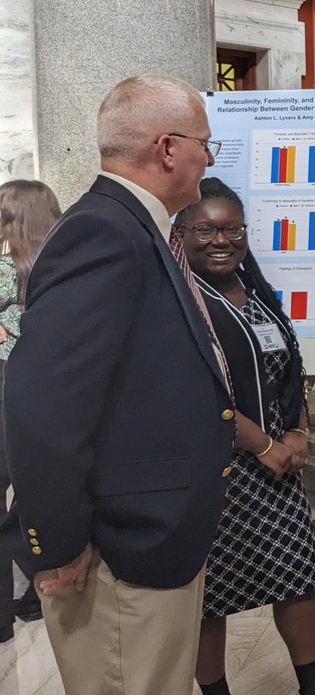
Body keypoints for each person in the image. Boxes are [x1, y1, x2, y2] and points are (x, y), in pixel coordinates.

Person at [3, 75, 235, 694]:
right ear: (166, 149)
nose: (209, 159)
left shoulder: (136, 227)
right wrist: (58, 542)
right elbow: (42, 406)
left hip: (148, 537)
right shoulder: (103, 232)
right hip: (115, 550)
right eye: (204, 144)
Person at [174, 177, 315, 695]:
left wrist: (299, 429)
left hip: (279, 468)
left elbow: (287, 368)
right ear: (181, 231)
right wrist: (263, 445)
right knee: (210, 597)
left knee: (297, 578)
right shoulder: (180, 299)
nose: (221, 240)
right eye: (206, 229)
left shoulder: (254, 289)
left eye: (232, 229)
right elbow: (198, 394)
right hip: (217, 474)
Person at [0, 180, 62, 640]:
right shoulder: (67, 260)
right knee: (39, 490)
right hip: (53, 394)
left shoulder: (3, 266)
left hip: (6, 388)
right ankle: (48, 581)